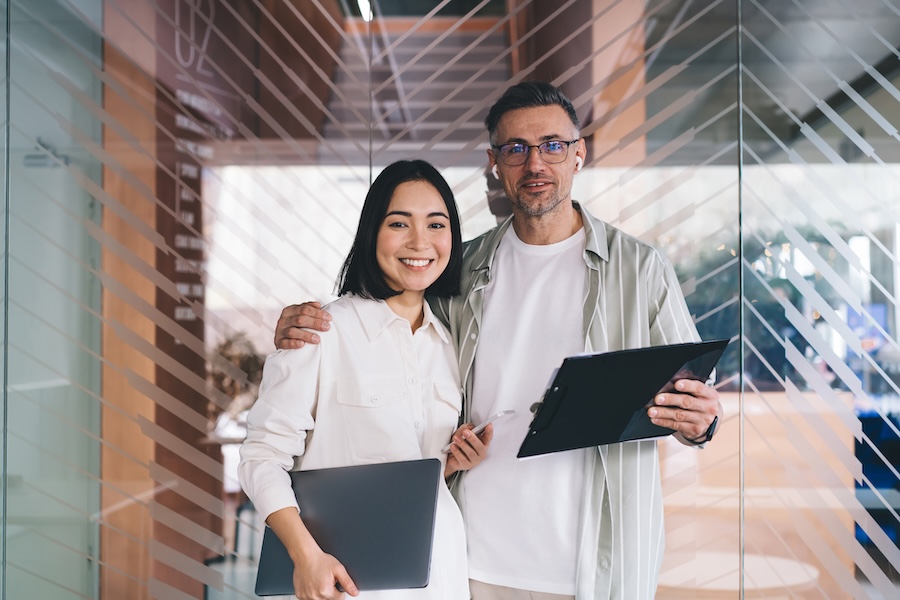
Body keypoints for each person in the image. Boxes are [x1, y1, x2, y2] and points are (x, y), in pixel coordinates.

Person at [273, 82, 723, 600]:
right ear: (494, 161)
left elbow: (688, 399)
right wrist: (299, 327)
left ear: (579, 154)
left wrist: (699, 424)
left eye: (552, 145)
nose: (535, 163)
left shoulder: (640, 270)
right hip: (467, 560)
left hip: (594, 562)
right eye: (516, 149)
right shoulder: (458, 269)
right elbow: (387, 322)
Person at [238, 159, 493, 600]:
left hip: (441, 574)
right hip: (344, 583)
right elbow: (261, 457)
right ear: (372, 232)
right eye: (399, 223)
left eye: (437, 224)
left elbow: (406, 458)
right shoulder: (320, 331)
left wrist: (450, 461)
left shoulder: (448, 345)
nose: (420, 242)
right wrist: (305, 556)